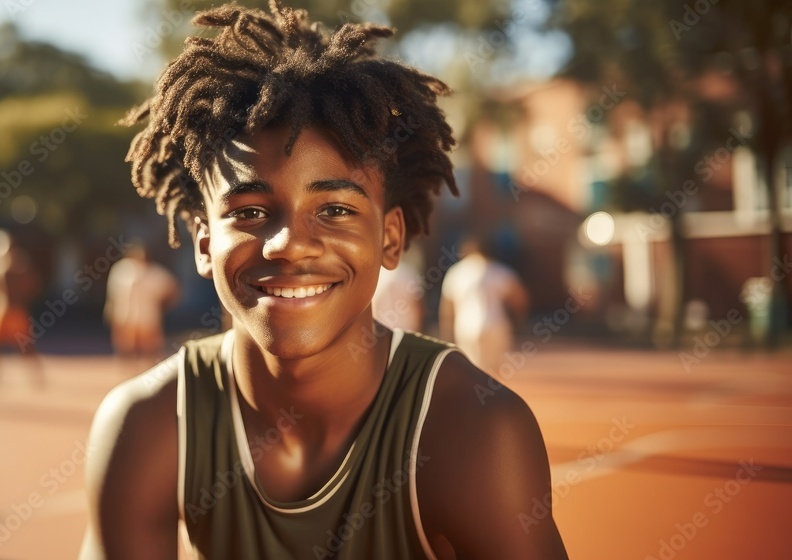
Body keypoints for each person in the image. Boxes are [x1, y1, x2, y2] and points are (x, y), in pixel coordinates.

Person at [80, 2, 567, 558]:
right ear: (204, 242)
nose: (288, 243)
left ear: (389, 239)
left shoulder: (474, 429)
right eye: (249, 211)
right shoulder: (149, 424)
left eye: (334, 210)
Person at [439, 236, 530, 375]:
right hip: (495, 325)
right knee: (495, 371)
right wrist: (519, 319)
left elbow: (447, 307)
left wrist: (446, 331)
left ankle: (474, 395)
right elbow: (520, 298)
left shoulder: (456, 272)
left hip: (466, 327)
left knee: (472, 370)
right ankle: (490, 395)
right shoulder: (499, 270)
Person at [0, 229, 44, 389]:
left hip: (14, 308)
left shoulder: (17, 260)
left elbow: (31, 282)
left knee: (24, 343)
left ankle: (35, 373)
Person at [104, 243, 181, 360]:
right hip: (125, 314)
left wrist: (165, 305)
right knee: (126, 347)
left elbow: (172, 288)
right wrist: (110, 310)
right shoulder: (122, 270)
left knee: (150, 348)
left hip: (147, 316)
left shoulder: (155, 272)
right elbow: (113, 294)